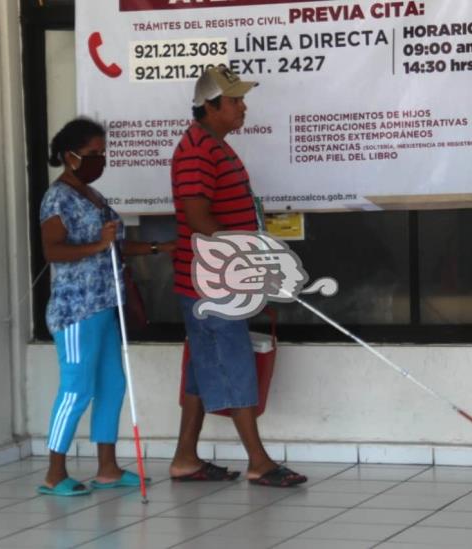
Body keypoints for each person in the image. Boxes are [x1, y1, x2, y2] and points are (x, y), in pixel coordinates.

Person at [169, 65, 307, 487]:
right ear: (210, 107)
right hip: (211, 283)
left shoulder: (215, 145)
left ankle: (185, 459)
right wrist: (248, 255)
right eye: (235, 100)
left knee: (202, 369)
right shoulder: (196, 150)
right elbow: (197, 217)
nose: (243, 107)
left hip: (218, 279)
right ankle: (259, 461)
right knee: (233, 365)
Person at [39, 118, 173, 496]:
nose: (100, 159)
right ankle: (54, 473)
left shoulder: (93, 195)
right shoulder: (58, 197)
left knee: (112, 383)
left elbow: (115, 244)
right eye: (93, 153)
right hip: (75, 310)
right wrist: (97, 246)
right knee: (76, 389)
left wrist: (158, 248)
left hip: (105, 303)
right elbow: (53, 251)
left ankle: (108, 468)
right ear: (70, 156)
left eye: (102, 152)